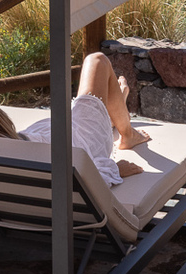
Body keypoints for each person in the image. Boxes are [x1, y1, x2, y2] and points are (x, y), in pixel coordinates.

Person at [19, 52, 148, 186]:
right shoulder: (20, 148)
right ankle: (127, 133)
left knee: (79, 117)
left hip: (59, 133)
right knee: (97, 60)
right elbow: (85, 182)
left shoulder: (6, 154)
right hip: (79, 141)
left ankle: (112, 112)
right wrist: (116, 170)